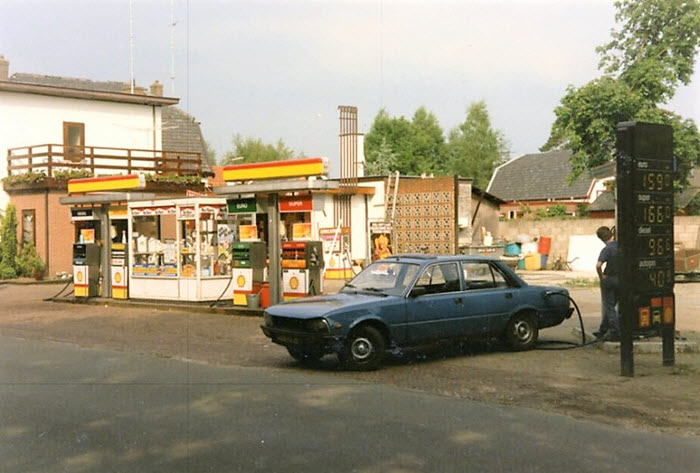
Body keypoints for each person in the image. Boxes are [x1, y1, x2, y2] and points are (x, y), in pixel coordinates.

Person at [595, 226, 620, 341]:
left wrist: (601, 277)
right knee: (612, 304)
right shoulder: (620, 246)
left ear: (600, 239)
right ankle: (603, 329)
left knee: (609, 306)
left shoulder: (607, 249)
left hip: (609, 280)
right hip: (621, 279)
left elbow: (598, 265)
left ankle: (615, 331)